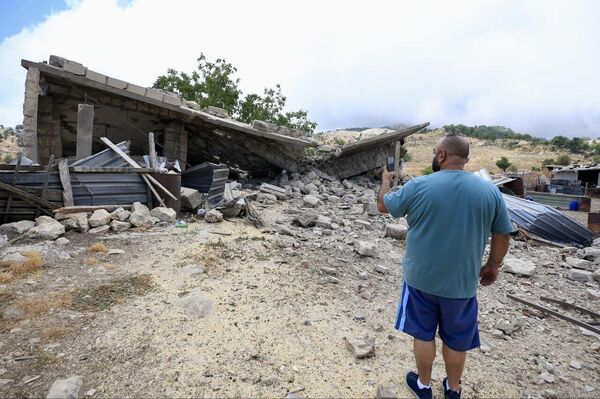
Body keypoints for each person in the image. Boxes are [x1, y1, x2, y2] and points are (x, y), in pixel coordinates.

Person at [376, 134, 512, 399]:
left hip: (420, 281)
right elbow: (502, 236)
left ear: (440, 155)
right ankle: (453, 389)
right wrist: (493, 265)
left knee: (422, 334)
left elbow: (383, 205)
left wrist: (385, 182)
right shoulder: (489, 191)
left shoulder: (419, 185)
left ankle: (423, 386)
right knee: (457, 339)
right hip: (461, 284)